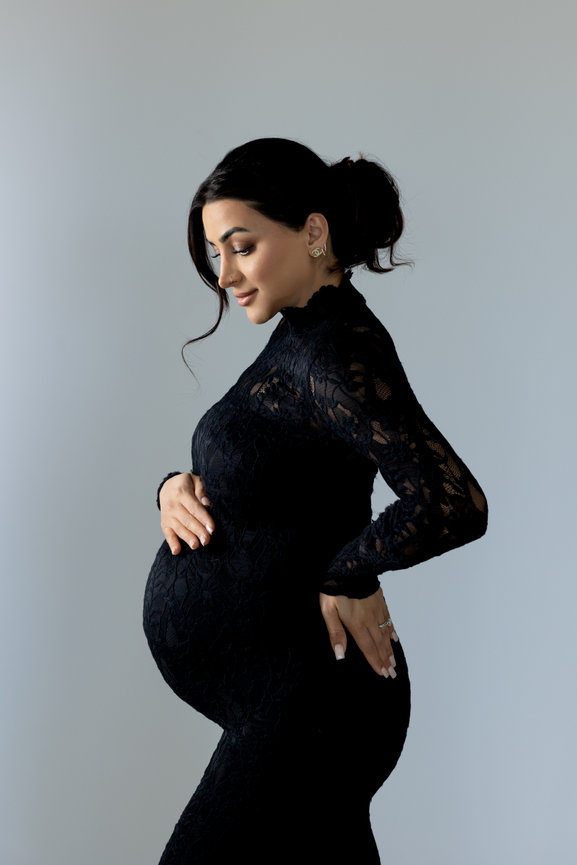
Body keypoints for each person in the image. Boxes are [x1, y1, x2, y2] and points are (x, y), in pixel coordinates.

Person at [143, 137, 488, 865]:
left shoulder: (336, 349)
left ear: (312, 231)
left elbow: (451, 499)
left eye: (241, 246)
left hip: (310, 702)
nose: (225, 274)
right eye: (215, 253)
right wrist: (172, 488)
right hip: (286, 698)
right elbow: (275, 473)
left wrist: (347, 571)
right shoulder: (303, 333)